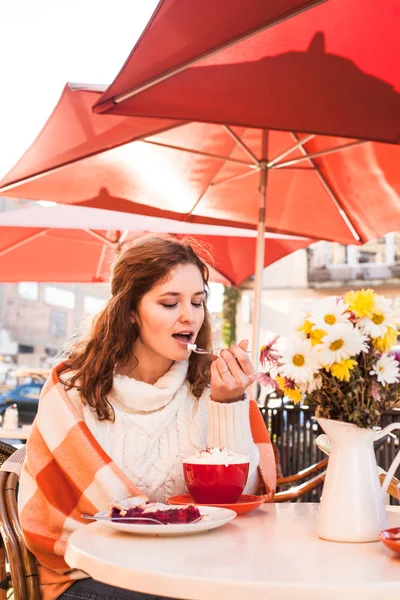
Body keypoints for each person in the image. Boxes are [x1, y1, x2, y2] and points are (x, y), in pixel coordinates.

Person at [18, 234, 276, 600]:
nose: (190, 315)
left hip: (196, 567)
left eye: (198, 301)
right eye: (170, 303)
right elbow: (52, 520)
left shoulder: (212, 388)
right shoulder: (72, 391)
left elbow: (242, 498)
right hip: (88, 571)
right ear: (130, 312)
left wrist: (227, 405)